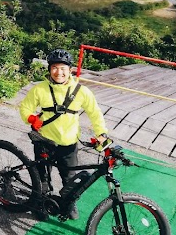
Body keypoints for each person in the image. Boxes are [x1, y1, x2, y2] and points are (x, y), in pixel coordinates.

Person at [18, 48, 110, 220]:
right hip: (44, 140)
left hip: (68, 142)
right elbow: (25, 107)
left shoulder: (81, 91)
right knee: (42, 176)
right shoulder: (40, 89)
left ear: (70, 70)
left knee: (70, 177)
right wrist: (31, 118)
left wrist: (101, 134)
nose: (58, 72)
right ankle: (40, 203)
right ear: (49, 69)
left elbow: (95, 113)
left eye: (63, 68)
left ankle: (69, 204)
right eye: (54, 67)